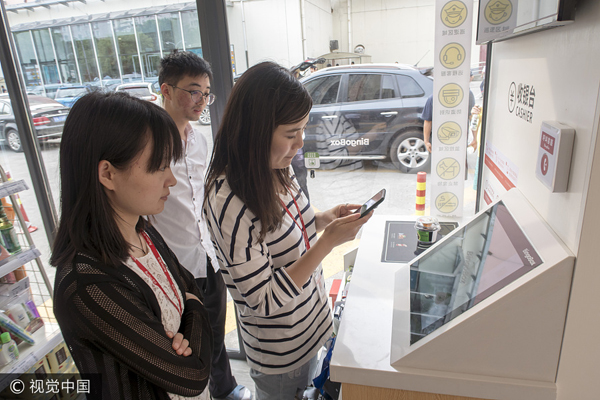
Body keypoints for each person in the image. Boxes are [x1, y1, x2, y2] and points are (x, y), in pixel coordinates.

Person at [203, 61, 372, 400]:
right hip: (282, 350)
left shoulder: (274, 165)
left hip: (311, 322)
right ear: (255, 131)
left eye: (304, 130)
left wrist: (326, 218)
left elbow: (289, 227)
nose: (300, 142)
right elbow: (262, 301)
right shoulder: (227, 201)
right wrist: (327, 243)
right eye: (291, 133)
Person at [51, 91, 213, 399]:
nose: (171, 180)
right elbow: (192, 376)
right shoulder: (88, 284)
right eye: (159, 166)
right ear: (108, 174)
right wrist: (194, 306)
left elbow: (189, 283)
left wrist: (190, 310)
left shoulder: (142, 230)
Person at [153, 50, 252, 400]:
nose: (202, 100)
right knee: (186, 339)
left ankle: (224, 389)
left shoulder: (200, 140)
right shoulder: (149, 143)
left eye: (206, 93)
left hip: (207, 253)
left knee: (214, 330)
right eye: (193, 91)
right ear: (166, 90)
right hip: (172, 261)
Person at [422, 71, 477, 153]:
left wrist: (475, 138)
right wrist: (426, 141)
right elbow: (428, 120)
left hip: (460, 141)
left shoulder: (467, 95)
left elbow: (471, 117)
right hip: (440, 142)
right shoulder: (434, 98)